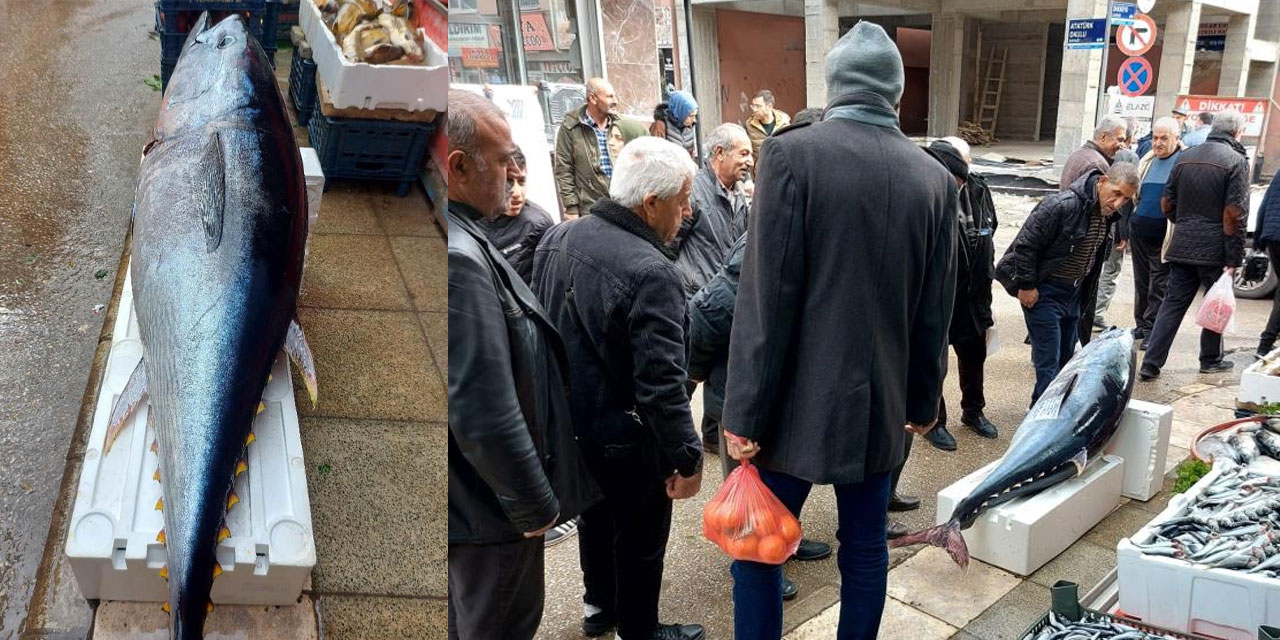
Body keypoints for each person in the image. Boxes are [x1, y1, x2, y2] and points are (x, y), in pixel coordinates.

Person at [721, 22, 957, 640]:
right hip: (880, 404)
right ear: (896, 94)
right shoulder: (935, 179)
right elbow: (937, 308)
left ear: (833, 86)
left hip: (793, 405)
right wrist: (923, 403)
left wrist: (743, 410)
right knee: (865, 548)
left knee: (759, 548)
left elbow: (765, 299)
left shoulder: (791, 155)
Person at [533, 137, 706, 640]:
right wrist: (686, 457)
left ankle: (600, 607)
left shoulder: (559, 237)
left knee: (595, 517)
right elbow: (662, 386)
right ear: (651, 204)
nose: (689, 211)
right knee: (641, 539)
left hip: (572, 426)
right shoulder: (654, 273)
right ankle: (639, 629)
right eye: (683, 200)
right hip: (627, 439)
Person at [446, 90, 598, 640]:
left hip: (483, 509)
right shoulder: (460, 259)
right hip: (493, 516)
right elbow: (483, 410)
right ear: (458, 167)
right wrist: (535, 508)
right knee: (499, 623)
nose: (515, 173)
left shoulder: (467, 236)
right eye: (504, 159)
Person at [685, 239, 833, 606]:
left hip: (790, 399)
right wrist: (702, 378)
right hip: (746, 399)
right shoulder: (759, 241)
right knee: (750, 498)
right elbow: (705, 319)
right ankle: (753, 562)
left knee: (784, 488)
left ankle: (782, 546)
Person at [995, 163, 1139, 404]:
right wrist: (1027, 286)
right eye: (1116, 193)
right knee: (1048, 363)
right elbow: (1026, 245)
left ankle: (1057, 411)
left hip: (1072, 292)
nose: (1118, 203)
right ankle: (1040, 416)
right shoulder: (1063, 205)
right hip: (1045, 292)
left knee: (1066, 361)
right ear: (1103, 181)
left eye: (1125, 199)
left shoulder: (1108, 215)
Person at [1139, 111, 1251, 380]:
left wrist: (1184, 222)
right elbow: (1234, 213)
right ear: (1236, 133)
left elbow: (1167, 203)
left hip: (1183, 244)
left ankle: (1150, 363)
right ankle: (1210, 359)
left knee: (1172, 305)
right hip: (1215, 249)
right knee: (1216, 303)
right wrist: (1234, 257)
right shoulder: (1236, 161)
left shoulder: (1185, 157)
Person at [916, 137, 1000, 454]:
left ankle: (973, 411)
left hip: (974, 293)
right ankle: (934, 422)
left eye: (966, 165)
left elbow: (990, 226)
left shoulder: (978, 188)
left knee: (974, 355)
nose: (962, 174)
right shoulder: (929, 190)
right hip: (938, 296)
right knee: (934, 361)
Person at [674, 123, 753, 299]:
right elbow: (669, 245)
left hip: (721, 302)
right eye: (744, 153)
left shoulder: (739, 197)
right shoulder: (693, 192)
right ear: (720, 153)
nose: (750, 162)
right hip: (693, 300)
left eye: (751, 155)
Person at [1130, 118, 1186, 349]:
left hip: (1165, 235)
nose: (1158, 143)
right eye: (1155, 137)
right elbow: (1135, 196)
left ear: (1176, 139)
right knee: (1141, 282)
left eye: (1164, 138)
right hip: (1139, 231)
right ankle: (1141, 324)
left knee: (1159, 285)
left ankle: (1153, 328)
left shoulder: (1182, 162)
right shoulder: (1147, 160)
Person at [555, 78, 629, 220]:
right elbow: (564, 169)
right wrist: (571, 207)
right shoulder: (571, 127)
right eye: (609, 96)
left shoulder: (620, 124)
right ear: (593, 98)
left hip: (621, 205)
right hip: (590, 208)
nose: (616, 101)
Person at [479, 149, 555, 285]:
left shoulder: (538, 224)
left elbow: (549, 282)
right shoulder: (472, 216)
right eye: (508, 182)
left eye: (521, 182)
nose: (516, 193)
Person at [1061, 115, 1126, 188]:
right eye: (1120, 140)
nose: (1122, 145)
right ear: (1103, 137)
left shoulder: (1078, 154)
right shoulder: (1097, 164)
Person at [1254, 174, 1280, 357]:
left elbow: (1266, 202)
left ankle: (1265, 345)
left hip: (1273, 237)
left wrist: (1259, 239)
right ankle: (1265, 344)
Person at [745, 90, 791, 176]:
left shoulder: (785, 123)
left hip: (783, 172)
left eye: (758, 106)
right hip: (760, 175)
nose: (754, 110)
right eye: (753, 106)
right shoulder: (749, 126)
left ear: (769, 106)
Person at [651, 90, 699, 161]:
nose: (694, 120)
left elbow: (691, 155)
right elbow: (656, 156)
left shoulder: (688, 127)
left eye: (695, 116)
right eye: (691, 116)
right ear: (679, 111)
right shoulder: (660, 126)